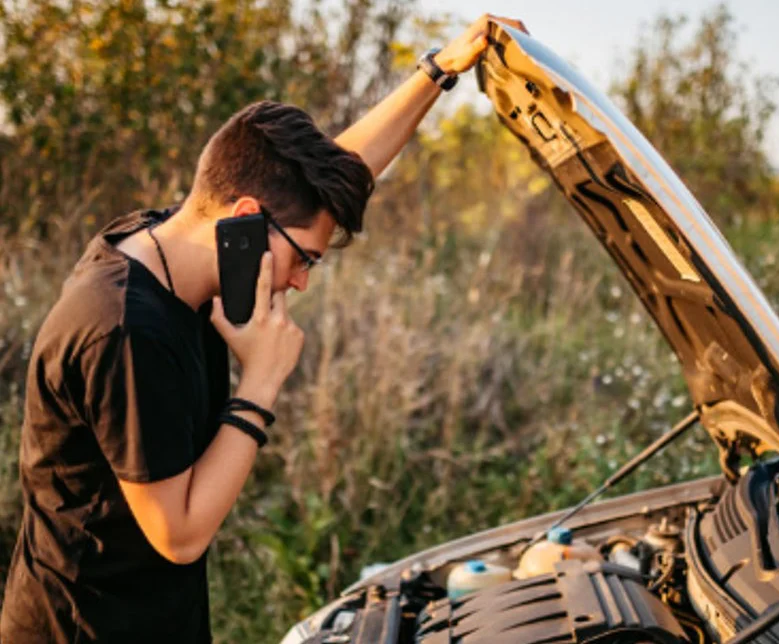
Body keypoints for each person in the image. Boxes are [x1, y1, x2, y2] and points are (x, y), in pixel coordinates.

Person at [0, 14, 527, 643]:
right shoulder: (123, 331)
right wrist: (262, 383)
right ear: (245, 219)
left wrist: (439, 71)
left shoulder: (176, 241)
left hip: (150, 615)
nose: (302, 281)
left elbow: (333, 177)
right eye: (304, 259)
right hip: (85, 627)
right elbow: (180, 535)